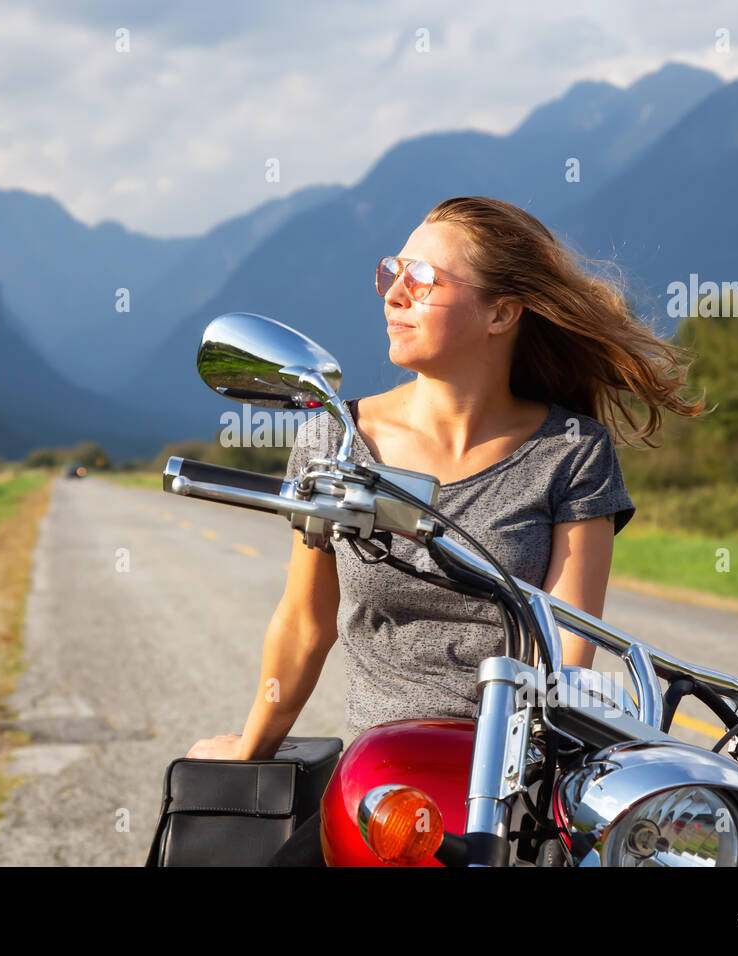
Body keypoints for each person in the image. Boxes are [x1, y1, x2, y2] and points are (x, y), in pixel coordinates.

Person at [186, 196, 705, 865]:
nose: (394, 293)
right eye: (391, 272)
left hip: (511, 787)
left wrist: (530, 796)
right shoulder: (335, 438)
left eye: (423, 279)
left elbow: (565, 650)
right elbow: (303, 622)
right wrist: (249, 745)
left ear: (501, 312)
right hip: (380, 788)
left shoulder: (572, 450)